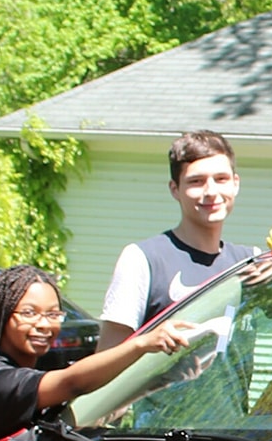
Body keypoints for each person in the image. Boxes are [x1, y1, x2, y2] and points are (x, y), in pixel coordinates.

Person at [0, 266, 195, 441]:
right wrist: (140, 344)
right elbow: (72, 383)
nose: (45, 324)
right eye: (29, 313)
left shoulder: (31, 375)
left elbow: (95, 405)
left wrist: (165, 378)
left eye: (53, 314)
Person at [98, 131, 257, 350]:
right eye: (196, 181)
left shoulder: (252, 262)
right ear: (175, 189)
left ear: (235, 184)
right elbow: (107, 355)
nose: (211, 191)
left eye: (221, 179)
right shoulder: (143, 259)